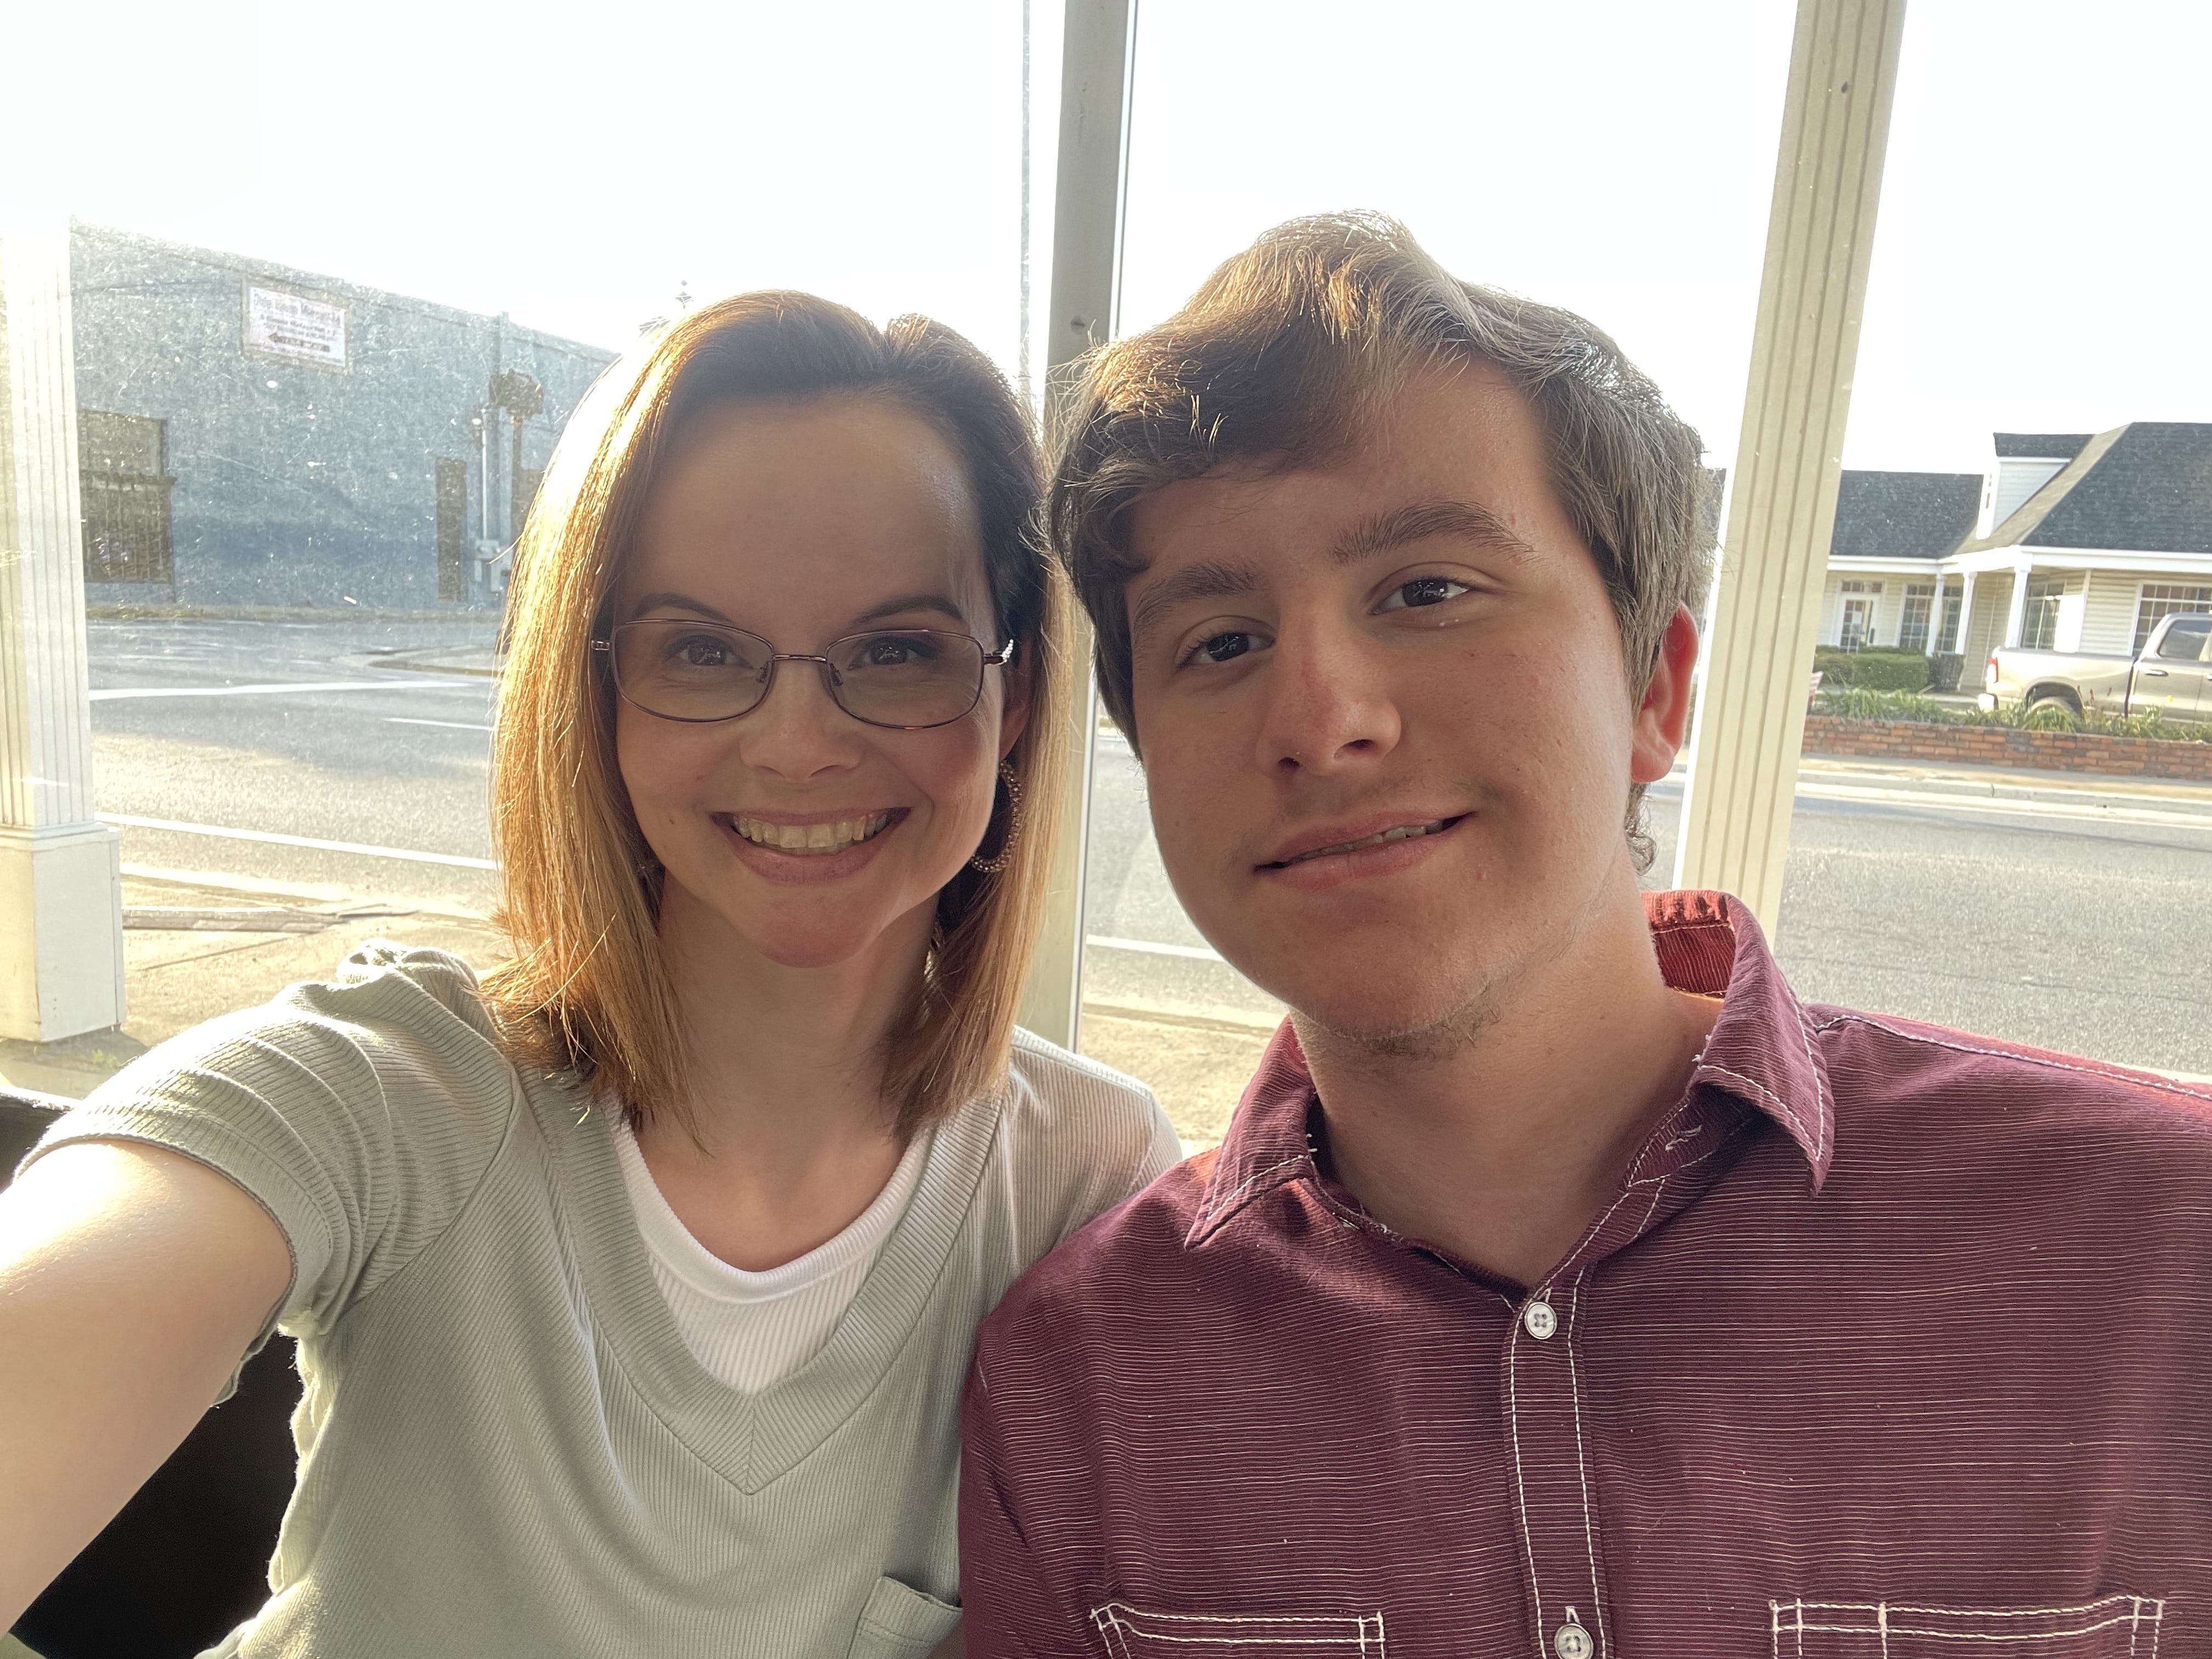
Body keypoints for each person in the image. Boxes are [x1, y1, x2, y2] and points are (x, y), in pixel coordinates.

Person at [958, 213, 2212, 1656]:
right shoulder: (1084, 1385)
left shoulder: (2160, 1262)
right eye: (1220, 642)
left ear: (1658, 688)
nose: (1320, 718)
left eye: (1426, 591)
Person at [0, 292, 1177, 1658]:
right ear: (596, 688)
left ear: (1015, 695)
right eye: (702, 651)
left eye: (898, 650)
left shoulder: (1088, 1179)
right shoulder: (379, 1102)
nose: (797, 745)